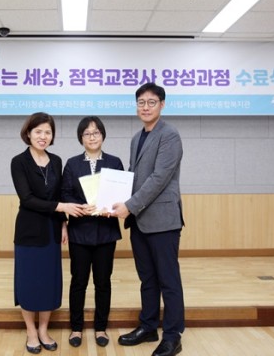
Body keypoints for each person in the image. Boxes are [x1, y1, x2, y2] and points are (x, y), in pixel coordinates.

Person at [112, 83, 185, 356]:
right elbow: (134, 177)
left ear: (162, 105)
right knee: (148, 278)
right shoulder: (136, 138)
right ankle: (148, 326)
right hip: (140, 220)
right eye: (141, 102)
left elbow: (159, 178)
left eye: (151, 102)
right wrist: (113, 199)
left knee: (169, 280)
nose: (145, 107)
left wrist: (129, 206)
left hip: (163, 220)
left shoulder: (170, 135)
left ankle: (173, 335)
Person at [10, 112, 85, 354]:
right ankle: (31, 331)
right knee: (28, 283)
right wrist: (62, 207)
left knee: (48, 283)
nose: (43, 136)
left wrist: (63, 223)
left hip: (52, 231)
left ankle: (43, 329)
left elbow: (58, 195)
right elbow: (27, 199)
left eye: (48, 132)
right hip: (29, 232)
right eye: (38, 131)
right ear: (28, 133)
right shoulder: (18, 162)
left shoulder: (56, 161)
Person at [61, 116, 124, 348]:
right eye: (87, 133)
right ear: (81, 138)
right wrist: (80, 206)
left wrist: (112, 207)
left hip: (106, 232)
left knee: (103, 282)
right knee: (78, 281)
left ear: (103, 135)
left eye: (96, 132)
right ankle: (76, 328)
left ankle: (100, 327)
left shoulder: (115, 162)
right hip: (80, 231)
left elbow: (122, 195)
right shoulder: (72, 163)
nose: (92, 137)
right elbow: (65, 193)